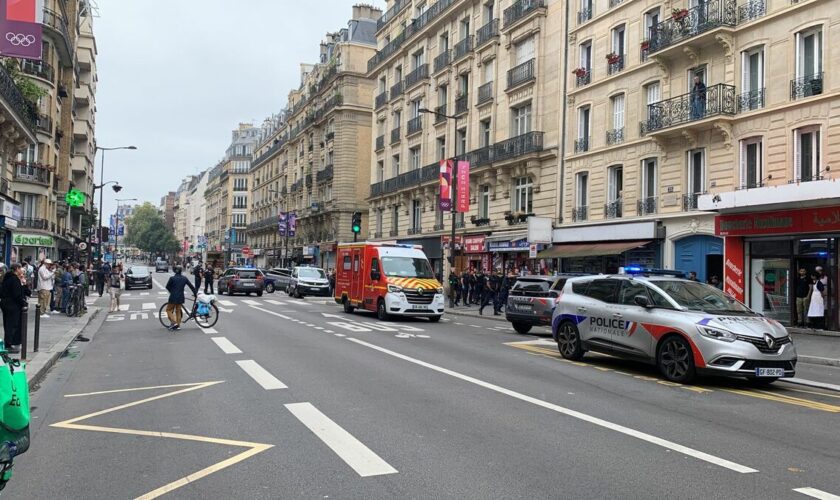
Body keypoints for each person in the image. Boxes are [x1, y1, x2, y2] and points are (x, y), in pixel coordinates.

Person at [0, 264, 28, 354]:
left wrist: (24, 284)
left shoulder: (7, 278)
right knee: (12, 325)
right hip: (13, 305)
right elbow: (17, 294)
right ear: (16, 269)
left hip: (6, 304)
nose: (22, 271)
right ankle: (9, 344)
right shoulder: (14, 279)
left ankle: (9, 343)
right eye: (20, 269)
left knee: (8, 324)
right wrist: (23, 303)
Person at [165, 266, 196, 331]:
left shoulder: (172, 278)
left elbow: (167, 286)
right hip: (181, 297)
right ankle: (178, 326)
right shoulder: (184, 278)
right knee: (178, 311)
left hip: (173, 297)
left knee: (168, 310)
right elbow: (191, 286)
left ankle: (174, 322)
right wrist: (195, 293)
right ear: (181, 271)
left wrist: (171, 291)